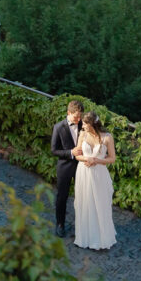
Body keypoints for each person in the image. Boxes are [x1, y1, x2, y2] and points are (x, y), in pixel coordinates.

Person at [74, 110, 117, 250]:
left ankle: (100, 238)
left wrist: (96, 160)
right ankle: (85, 237)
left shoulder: (107, 137)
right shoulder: (82, 134)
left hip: (99, 174)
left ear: (93, 124)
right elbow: (77, 156)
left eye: (85, 124)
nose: (83, 126)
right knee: (84, 203)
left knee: (100, 204)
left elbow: (112, 158)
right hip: (83, 173)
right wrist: (88, 159)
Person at [51, 100, 84, 238]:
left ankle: (82, 226)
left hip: (81, 167)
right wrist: (71, 152)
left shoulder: (84, 125)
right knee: (62, 197)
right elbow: (54, 150)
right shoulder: (58, 127)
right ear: (68, 113)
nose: (78, 119)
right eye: (76, 117)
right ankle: (60, 224)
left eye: (80, 116)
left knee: (82, 197)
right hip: (64, 167)